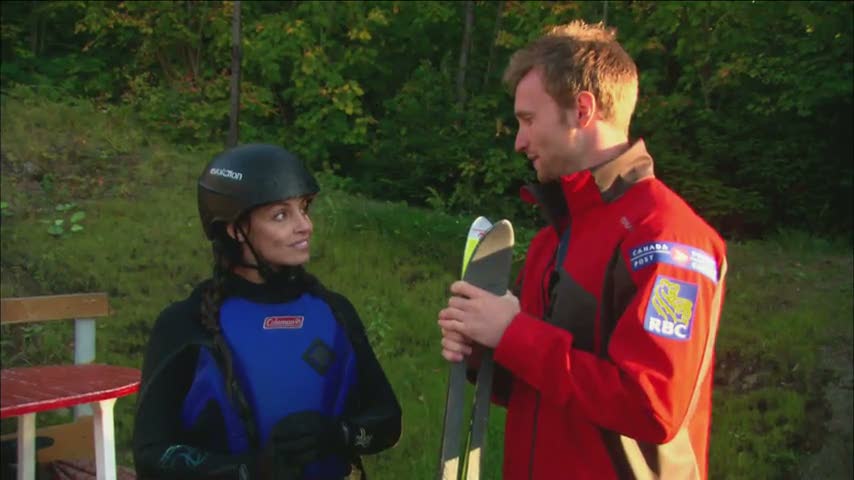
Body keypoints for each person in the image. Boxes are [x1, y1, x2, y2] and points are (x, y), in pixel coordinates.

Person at [438, 20, 727, 479]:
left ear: (582, 110)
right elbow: (540, 386)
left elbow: (653, 406)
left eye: (528, 120)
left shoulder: (667, 237)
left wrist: (513, 333)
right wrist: (482, 343)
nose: (518, 141)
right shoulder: (552, 240)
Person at [133, 144, 402, 480]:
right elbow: (150, 455)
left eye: (304, 208)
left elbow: (388, 422)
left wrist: (338, 434)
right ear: (235, 229)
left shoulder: (335, 312)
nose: (305, 226)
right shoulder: (186, 322)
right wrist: (249, 470)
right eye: (280, 215)